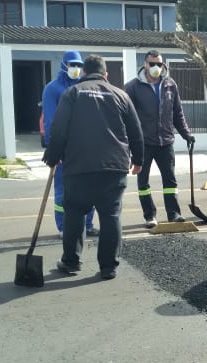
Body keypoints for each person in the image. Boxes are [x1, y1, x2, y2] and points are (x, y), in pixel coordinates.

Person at [43, 55, 143, 280]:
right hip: (113, 167)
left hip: (79, 166)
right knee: (111, 215)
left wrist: (53, 156)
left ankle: (71, 262)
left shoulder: (73, 93)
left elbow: (59, 128)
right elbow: (136, 131)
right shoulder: (121, 95)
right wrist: (139, 160)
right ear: (106, 75)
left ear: (85, 73)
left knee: (75, 213)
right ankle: (108, 267)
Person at [124, 49, 195, 228]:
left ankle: (174, 214)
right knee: (143, 181)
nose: (156, 67)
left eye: (159, 64)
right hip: (143, 144)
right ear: (144, 65)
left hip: (166, 141)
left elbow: (177, 113)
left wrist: (186, 133)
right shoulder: (132, 87)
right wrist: (127, 144)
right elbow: (126, 118)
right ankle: (150, 216)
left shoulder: (170, 85)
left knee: (170, 180)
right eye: (152, 64)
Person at [42, 51, 98, 239]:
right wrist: (52, 148)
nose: (76, 69)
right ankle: (63, 226)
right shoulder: (53, 89)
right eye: (72, 65)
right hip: (64, 148)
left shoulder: (84, 86)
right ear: (64, 65)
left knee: (89, 188)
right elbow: (50, 120)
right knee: (63, 189)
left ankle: (88, 224)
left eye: (79, 65)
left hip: (85, 147)